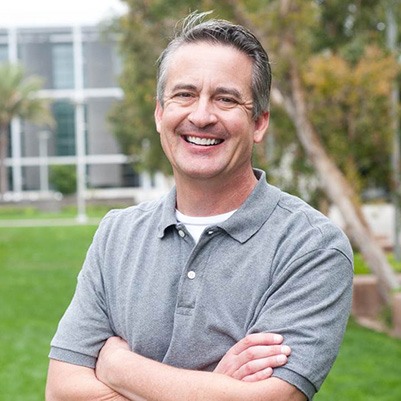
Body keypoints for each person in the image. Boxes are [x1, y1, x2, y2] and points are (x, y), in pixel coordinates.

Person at [46, 11, 353, 401]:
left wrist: (117, 367)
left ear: (259, 123)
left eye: (226, 99)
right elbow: (60, 390)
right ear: (160, 114)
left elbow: (273, 398)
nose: (202, 116)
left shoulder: (311, 246)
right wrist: (212, 388)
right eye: (184, 95)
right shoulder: (116, 234)